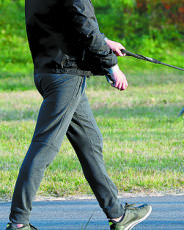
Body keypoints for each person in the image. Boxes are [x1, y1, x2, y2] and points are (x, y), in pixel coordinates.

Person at [6, 0, 152, 229]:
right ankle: (18, 223)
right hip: (65, 75)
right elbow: (84, 24)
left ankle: (117, 215)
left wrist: (104, 42)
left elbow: (65, 23)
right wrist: (111, 65)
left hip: (47, 71)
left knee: (90, 142)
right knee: (43, 147)